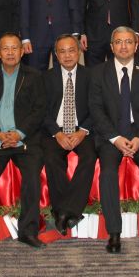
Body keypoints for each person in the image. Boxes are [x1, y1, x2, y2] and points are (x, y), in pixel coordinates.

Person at [89, 26, 139, 254]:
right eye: (119, 42)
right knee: (108, 173)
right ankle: (114, 233)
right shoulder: (98, 72)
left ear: (136, 46)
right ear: (111, 47)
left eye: (129, 42)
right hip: (111, 137)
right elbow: (96, 110)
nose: (124, 46)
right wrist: (115, 138)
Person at [0, 34, 47, 249]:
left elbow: (39, 110)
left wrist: (19, 134)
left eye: (15, 48)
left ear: (22, 52)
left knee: (32, 177)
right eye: (6, 49)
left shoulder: (34, 76)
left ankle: (28, 231)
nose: (11, 52)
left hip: (25, 140)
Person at [42, 34, 95, 235]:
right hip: (56, 131)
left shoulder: (91, 76)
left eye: (71, 50)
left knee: (89, 157)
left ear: (79, 52)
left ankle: (63, 211)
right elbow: (42, 111)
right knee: (51, 157)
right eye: (62, 51)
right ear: (56, 55)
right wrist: (57, 133)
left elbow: (97, 108)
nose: (67, 55)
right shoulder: (46, 77)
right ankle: (68, 212)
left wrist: (83, 131)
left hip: (83, 130)